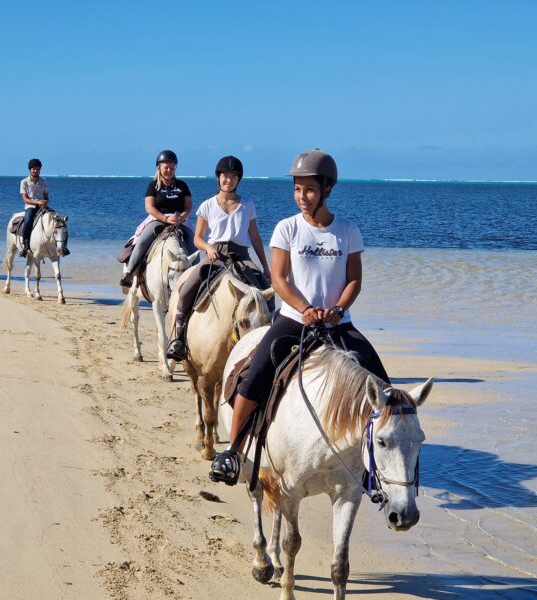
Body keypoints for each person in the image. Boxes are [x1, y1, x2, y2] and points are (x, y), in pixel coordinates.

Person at [209, 149, 391, 486]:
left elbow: (354, 280)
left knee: (385, 390)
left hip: (339, 323)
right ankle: (233, 452)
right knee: (255, 376)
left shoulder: (347, 231)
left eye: (308, 189)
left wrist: (336, 310)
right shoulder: (287, 228)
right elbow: (278, 278)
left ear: (327, 189)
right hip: (294, 320)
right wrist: (305, 309)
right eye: (296, 189)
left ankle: (376, 469)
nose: (301, 197)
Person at [165, 155, 271, 361]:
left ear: (238, 180)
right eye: (224, 176)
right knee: (188, 286)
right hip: (216, 255)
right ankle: (178, 338)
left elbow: (255, 237)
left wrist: (265, 266)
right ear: (218, 178)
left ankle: (267, 338)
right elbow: (197, 238)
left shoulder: (247, 204)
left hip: (241, 256)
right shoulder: (207, 206)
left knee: (266, 291)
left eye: (233, 177)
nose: (228, 181)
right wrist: (208, 247)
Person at [119, 150, 197, 288]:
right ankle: (129, 272)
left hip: (179, 220)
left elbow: (188, 206)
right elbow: (150, 208)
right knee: (142, 240)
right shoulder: (152, 186)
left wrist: (181, 218)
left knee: (193, 244)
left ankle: (198, 277)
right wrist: (166, 219)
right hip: (157, 219)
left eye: (172, 168)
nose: (169, 170)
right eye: (166, 167)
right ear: (159, 168)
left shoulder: (182, 186)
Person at [19, 158, 49, 257]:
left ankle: (56, 244)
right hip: (30, 206)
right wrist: (36, 202)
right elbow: (25, 199)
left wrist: (44, 202)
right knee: (28, 220)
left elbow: (46, 197)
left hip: (42, 207)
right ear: (30, 170)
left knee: (55, 219)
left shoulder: (44, 182)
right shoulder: (24, 182)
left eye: (38, 169)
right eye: (34, 169)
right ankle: (25, 244)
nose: (36, 171)